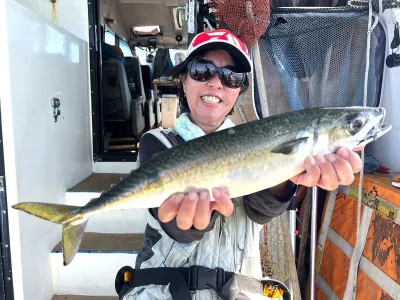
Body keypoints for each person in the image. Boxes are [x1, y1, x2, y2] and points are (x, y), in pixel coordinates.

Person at [116, 29, 362, 300]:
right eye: (201, 70)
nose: (216, 83)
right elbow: (177, 229)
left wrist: (291, 169)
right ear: (183, 80)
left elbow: (260, 211)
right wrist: (190, 220)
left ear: (239, 90)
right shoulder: (157, 142)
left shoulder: (255, 144)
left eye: (231, 77)